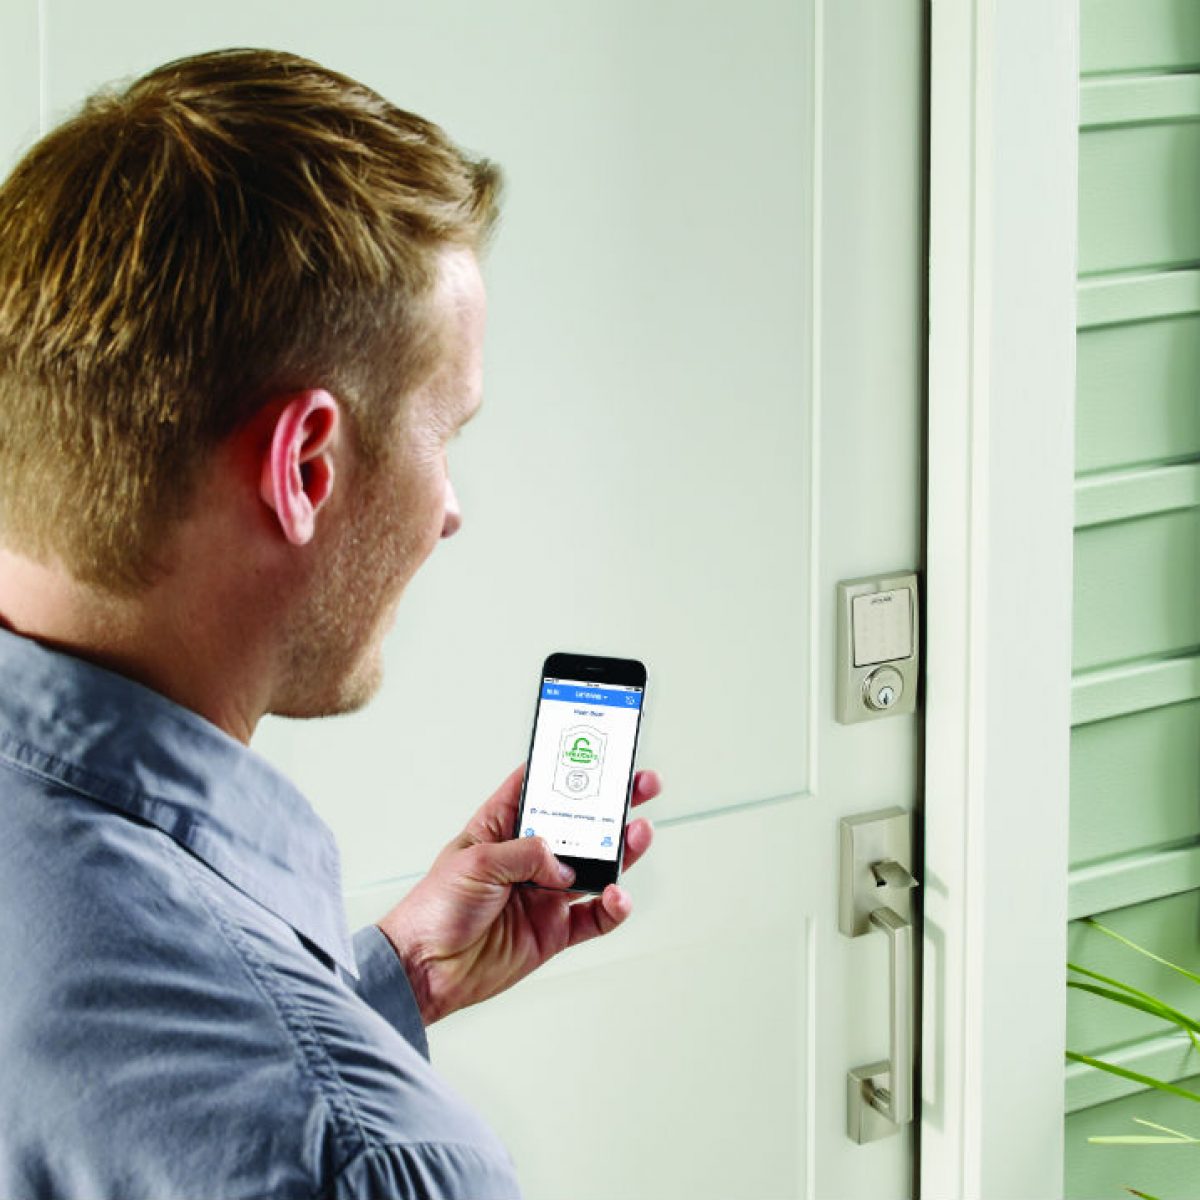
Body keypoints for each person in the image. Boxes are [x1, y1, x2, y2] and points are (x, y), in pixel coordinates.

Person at [0, 47, 658, 1199]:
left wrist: (390, 982)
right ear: (305, 467)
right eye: (446, 433)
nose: (450, 509)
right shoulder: (376, 1162)